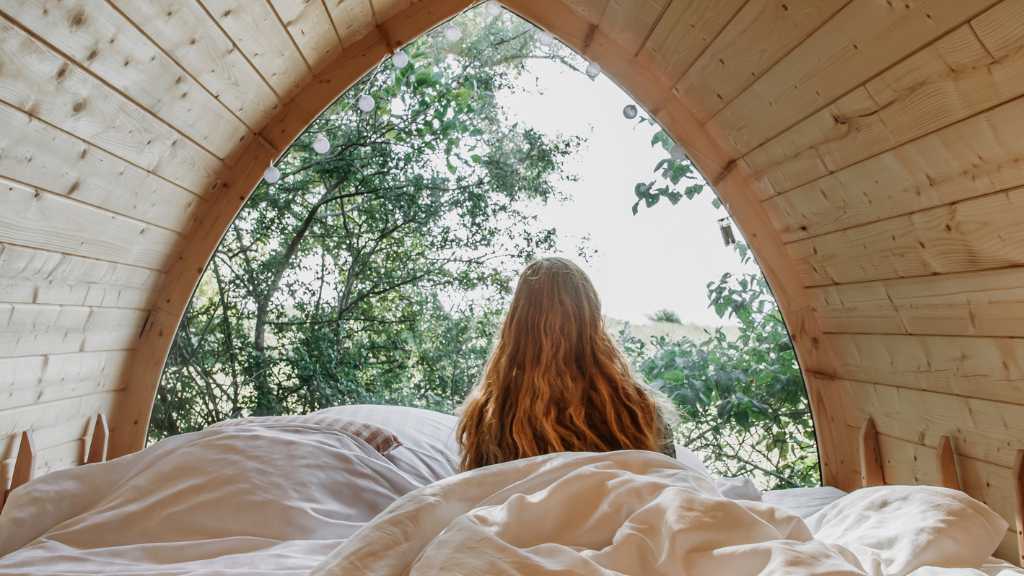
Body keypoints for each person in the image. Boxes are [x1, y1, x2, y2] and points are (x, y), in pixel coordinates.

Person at [457, 256, 677, 471]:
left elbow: (480, 492)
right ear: (591, 321)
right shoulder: (635, 408)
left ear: (517, 324)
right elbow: (663, 485)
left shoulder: (488, 414)